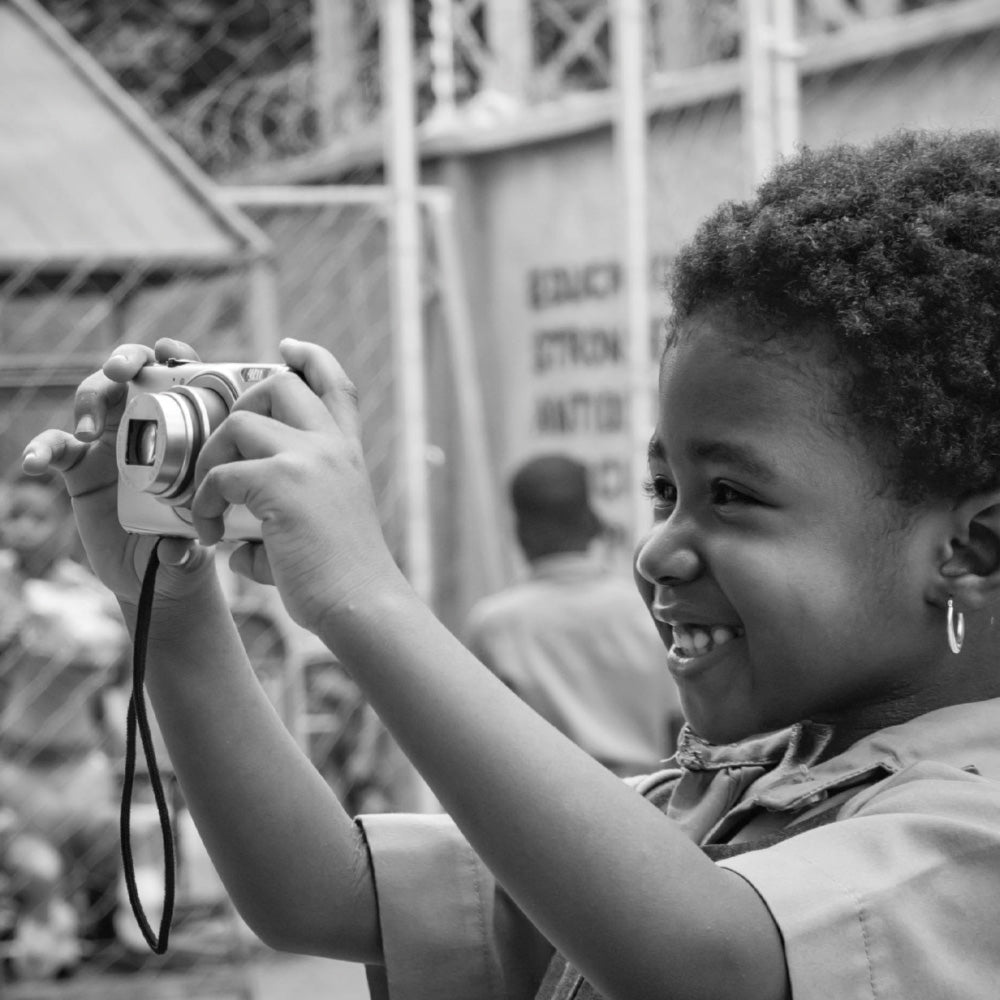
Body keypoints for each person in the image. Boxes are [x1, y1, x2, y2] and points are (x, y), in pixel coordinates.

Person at [20, 127, 1000, 999]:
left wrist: (365, 594)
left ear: (970, 548)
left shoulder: (973, 824)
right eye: (663, 491)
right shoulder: (726, 791)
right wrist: (175, 598)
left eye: (731, 495)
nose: (658, 546)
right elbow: (316, 891)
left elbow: (706, 966)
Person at [463, 453, 683, 775]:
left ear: (521, 532)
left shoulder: (495, 626)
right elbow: (680, 730)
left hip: (543, 806)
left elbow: (479, 746)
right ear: (593, 523)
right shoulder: (650, 611)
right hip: (648, 802)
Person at [0, 473, 128, 959]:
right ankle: (44, 926)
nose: (25, 529)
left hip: (80, 763)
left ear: (66, 527)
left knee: (108, 842)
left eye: (39, 518)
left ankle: (105, 936)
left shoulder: (86, 592)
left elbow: (112, 659)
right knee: (39, 871)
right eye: (15, 516)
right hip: (14, 767)